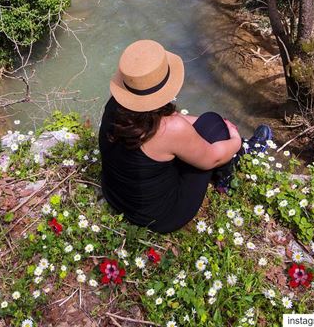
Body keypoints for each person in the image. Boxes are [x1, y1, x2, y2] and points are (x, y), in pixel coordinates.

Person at [99, 39, 272, 233]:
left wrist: (190, 123)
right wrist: (234, 138)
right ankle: (232, 170)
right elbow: (212, 157)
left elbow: (167, 120)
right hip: (159, 216)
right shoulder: (170, 129)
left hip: (116, 196)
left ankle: (236, 148)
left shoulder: (117, 105)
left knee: (210, 123)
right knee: (215, 126)